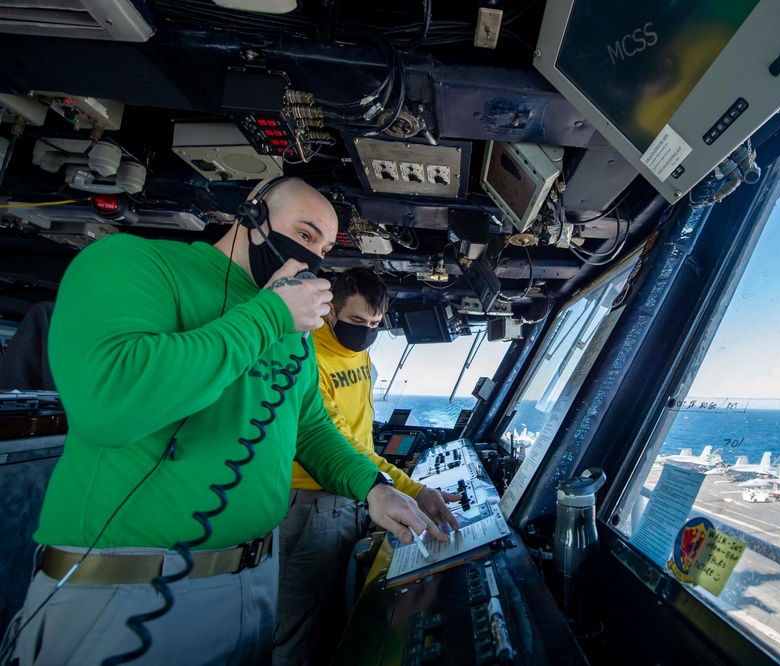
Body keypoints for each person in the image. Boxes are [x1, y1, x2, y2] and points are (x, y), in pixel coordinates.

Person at [2, 177, 446, 666]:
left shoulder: (291, 329)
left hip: (253, 579)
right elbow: (110, 403)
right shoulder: (133, 262)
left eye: (323, 247)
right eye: (304, 234)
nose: (313, 257)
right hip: (124, 583)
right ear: (253, 213)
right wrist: (268, 316)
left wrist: (375, 487)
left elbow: (310, 428)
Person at [274, 267, 460, 666]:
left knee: (338, 618)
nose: (367, 332)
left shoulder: (359, 351)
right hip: (311, 504)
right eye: (357, 321)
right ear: (329, 312)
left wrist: (403, 488)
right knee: (299, 627)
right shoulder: (312, 358)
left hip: (354, 493)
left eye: (375, 323)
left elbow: (361, 434)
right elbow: (341, 442)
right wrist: (410, 489)